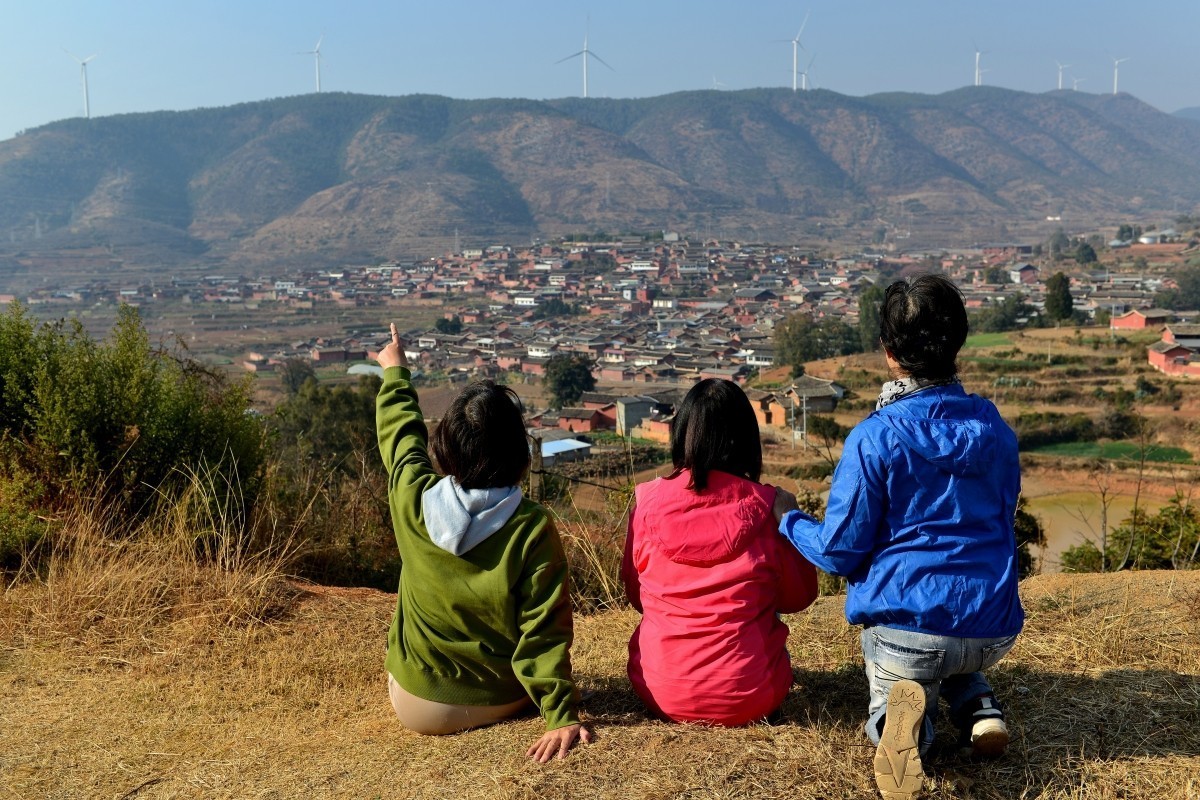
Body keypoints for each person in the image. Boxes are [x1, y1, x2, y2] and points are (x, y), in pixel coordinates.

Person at [774, 274, 1024, 800]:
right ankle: (980, 709)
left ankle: (904, 728)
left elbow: (840, 553)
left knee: (906, 662)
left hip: (908, 635)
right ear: (957, 345)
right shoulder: (996, 431)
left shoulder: (876, 437)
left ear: (890, 353)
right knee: (955, 656)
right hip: (991, 627)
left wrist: (788, 518)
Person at [374, 323, 591, 763]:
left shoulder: (412, 498)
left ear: (448, 448)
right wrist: (560, 714)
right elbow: (543, 628)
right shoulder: (531, 527)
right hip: (502, 697)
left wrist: (395, 372)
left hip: (416, 703)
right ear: (521, 454)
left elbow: (401, 442)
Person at [621, 378, 818, 727]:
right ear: (746, 440)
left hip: (660, 691)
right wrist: (790, 522)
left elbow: (637, 596)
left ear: (681, 435)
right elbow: (799, 597)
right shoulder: (767, 508)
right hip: (752, 695)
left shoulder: (646, 504)